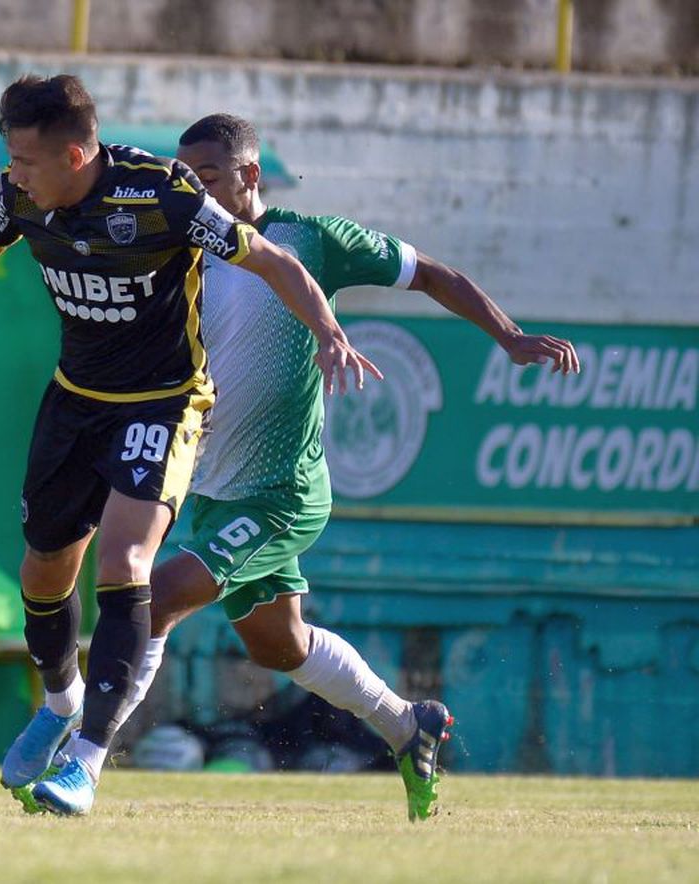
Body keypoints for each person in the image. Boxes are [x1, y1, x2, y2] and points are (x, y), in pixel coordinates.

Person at [0, 77, 381, 816]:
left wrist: (328, 330)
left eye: (27, 160)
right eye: (8, 159)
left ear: (76, 153)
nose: (14, 174)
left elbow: (269, 259)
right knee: (42, 572)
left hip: (164, 402)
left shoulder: (158, 195)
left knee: (125, 562)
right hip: (76, 400)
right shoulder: (23, 196)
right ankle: (60, 700)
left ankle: (87, 764)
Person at [85, 113, 581, 821]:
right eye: (186, 177)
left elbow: (430, 272)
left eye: (211, 177)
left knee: (154, 597)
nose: (194, 189)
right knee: (280, 647)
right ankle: (409, 725)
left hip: (282, 494)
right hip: (215, 493)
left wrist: (508, 336)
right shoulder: (184, 248)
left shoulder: (311, 241)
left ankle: (81, 757)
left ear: (250, 176)